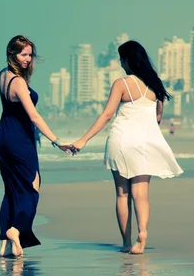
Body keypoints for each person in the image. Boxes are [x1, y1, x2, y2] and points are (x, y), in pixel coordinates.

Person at [70, 40, 183, 254]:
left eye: (122, 59)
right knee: (141, 194)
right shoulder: (155, 85)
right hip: (146, 142)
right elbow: (157, 118)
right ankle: (143, 233)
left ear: (127, 60)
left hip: (122, 141)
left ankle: (126, 242)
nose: (121, 63)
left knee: (123, 194)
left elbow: (106, 115)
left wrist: (83, 140)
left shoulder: (122, 84)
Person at [0, 35, 71, 258]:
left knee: (11, 189)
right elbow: (34, 116)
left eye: (30, 54)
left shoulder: (3, 75)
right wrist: (57, 141)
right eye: (23, 54)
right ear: (13, 55)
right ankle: (16, 229)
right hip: (19, 139)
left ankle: (5, 243)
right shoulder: (18, 82)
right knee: (32, 186)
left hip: (3, 137)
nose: (28, 59)